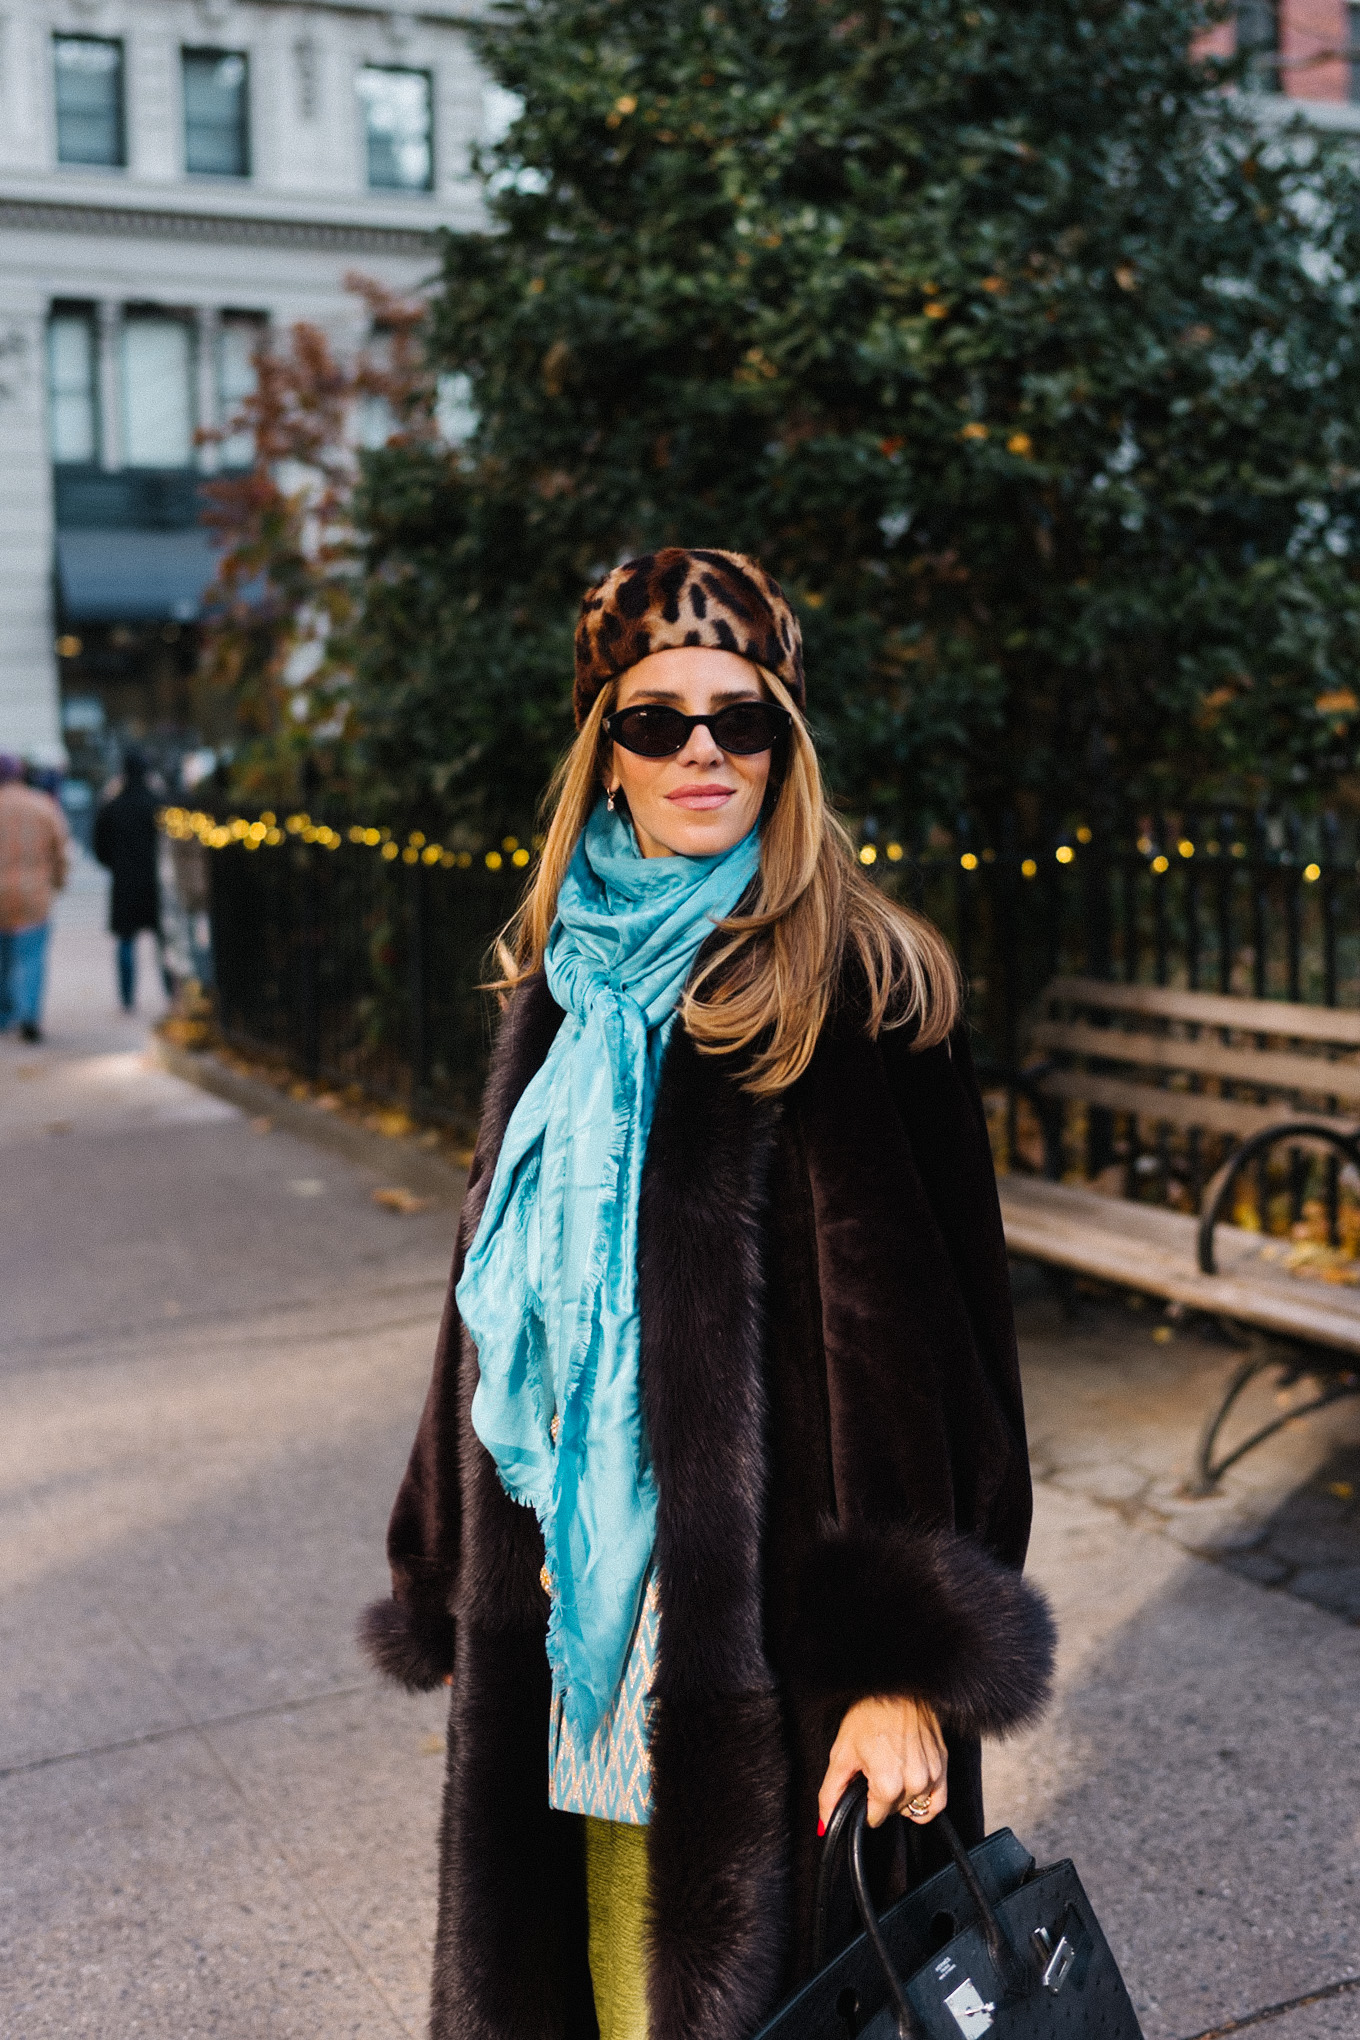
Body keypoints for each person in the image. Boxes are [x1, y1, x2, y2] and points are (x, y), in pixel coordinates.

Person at [361, 549, 1053, 2040]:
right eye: (656, 719)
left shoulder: (852, 986)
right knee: (601, 1986)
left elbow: (928, 1356)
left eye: (738, 721)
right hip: (571, 1622)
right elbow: (491, 1306)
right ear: (601, 752)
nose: (698, 754)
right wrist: (441, 1555)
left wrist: (900, 1668)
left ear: (786, 746)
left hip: (772, 1650)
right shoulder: (564, 980)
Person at [93, 750, 170, 1012]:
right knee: (164, 941)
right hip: (155, 881)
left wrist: (115, 864)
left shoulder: (113, 806)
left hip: (125, 881)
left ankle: (127, 998)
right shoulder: (157, 803)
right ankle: (171, 994)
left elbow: (99, 846)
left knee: (126, 941)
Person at [0, 754, 70, 1043]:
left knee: (2, 958)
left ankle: (5, 1014)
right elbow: (60, 849)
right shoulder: (43, 806)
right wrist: (58, 881)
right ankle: (29, 1014)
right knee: (32, 956)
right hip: (34, 893)